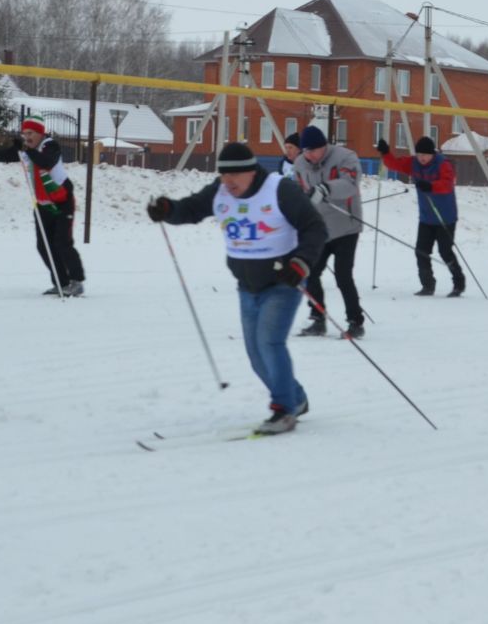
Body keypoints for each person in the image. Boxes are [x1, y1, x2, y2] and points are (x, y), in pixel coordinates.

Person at [146, 141, 328, 434]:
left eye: (235, 177)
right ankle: (295, 398)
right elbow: (190, 209)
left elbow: (314, 228)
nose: (228, 183)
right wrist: (167, 210)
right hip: (247, 285)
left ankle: (283, 410)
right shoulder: (219, 190)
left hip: (283, 281)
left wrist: (301, 263)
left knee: (270, 343)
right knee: (256, 355)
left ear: (251, 172)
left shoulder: (279, 189)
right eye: (223, 176)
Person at [0, 114, 85, 297]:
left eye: (30, 133)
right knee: (44, 246)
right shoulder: (26, 149)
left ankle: (77, 282)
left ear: (40, 133)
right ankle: (61, 282)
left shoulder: (50, 145)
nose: (27, 137)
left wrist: (25, 149)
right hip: (42, 203)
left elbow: (45, 161)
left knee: (62, 243)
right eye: (24, 134)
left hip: (62, 201)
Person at [292, 125, 365, 338]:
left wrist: (325, 188)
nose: (309, 155)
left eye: (313, 150)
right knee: (310, 272)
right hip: (319, 228)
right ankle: (317, 318)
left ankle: (355, 321)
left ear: (324, 146)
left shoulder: (346, 157)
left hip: (346, 226)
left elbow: (350, 184)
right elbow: (299, 189)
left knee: (343, 275)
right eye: (305, 150)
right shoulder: (300, 163)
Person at [378, 134, 467, 298]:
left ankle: (459, 283)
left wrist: (430, 186)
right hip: (426, 218)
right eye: (419, 155)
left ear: (432, 154)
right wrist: (385, 153)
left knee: (445, 251)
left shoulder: (443, 164)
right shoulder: (414, 163)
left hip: (445, 217)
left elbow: (447, 184)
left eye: (425, 155)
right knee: (421, 251)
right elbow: (395, 164)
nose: (422, 158)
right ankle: (428, 285)